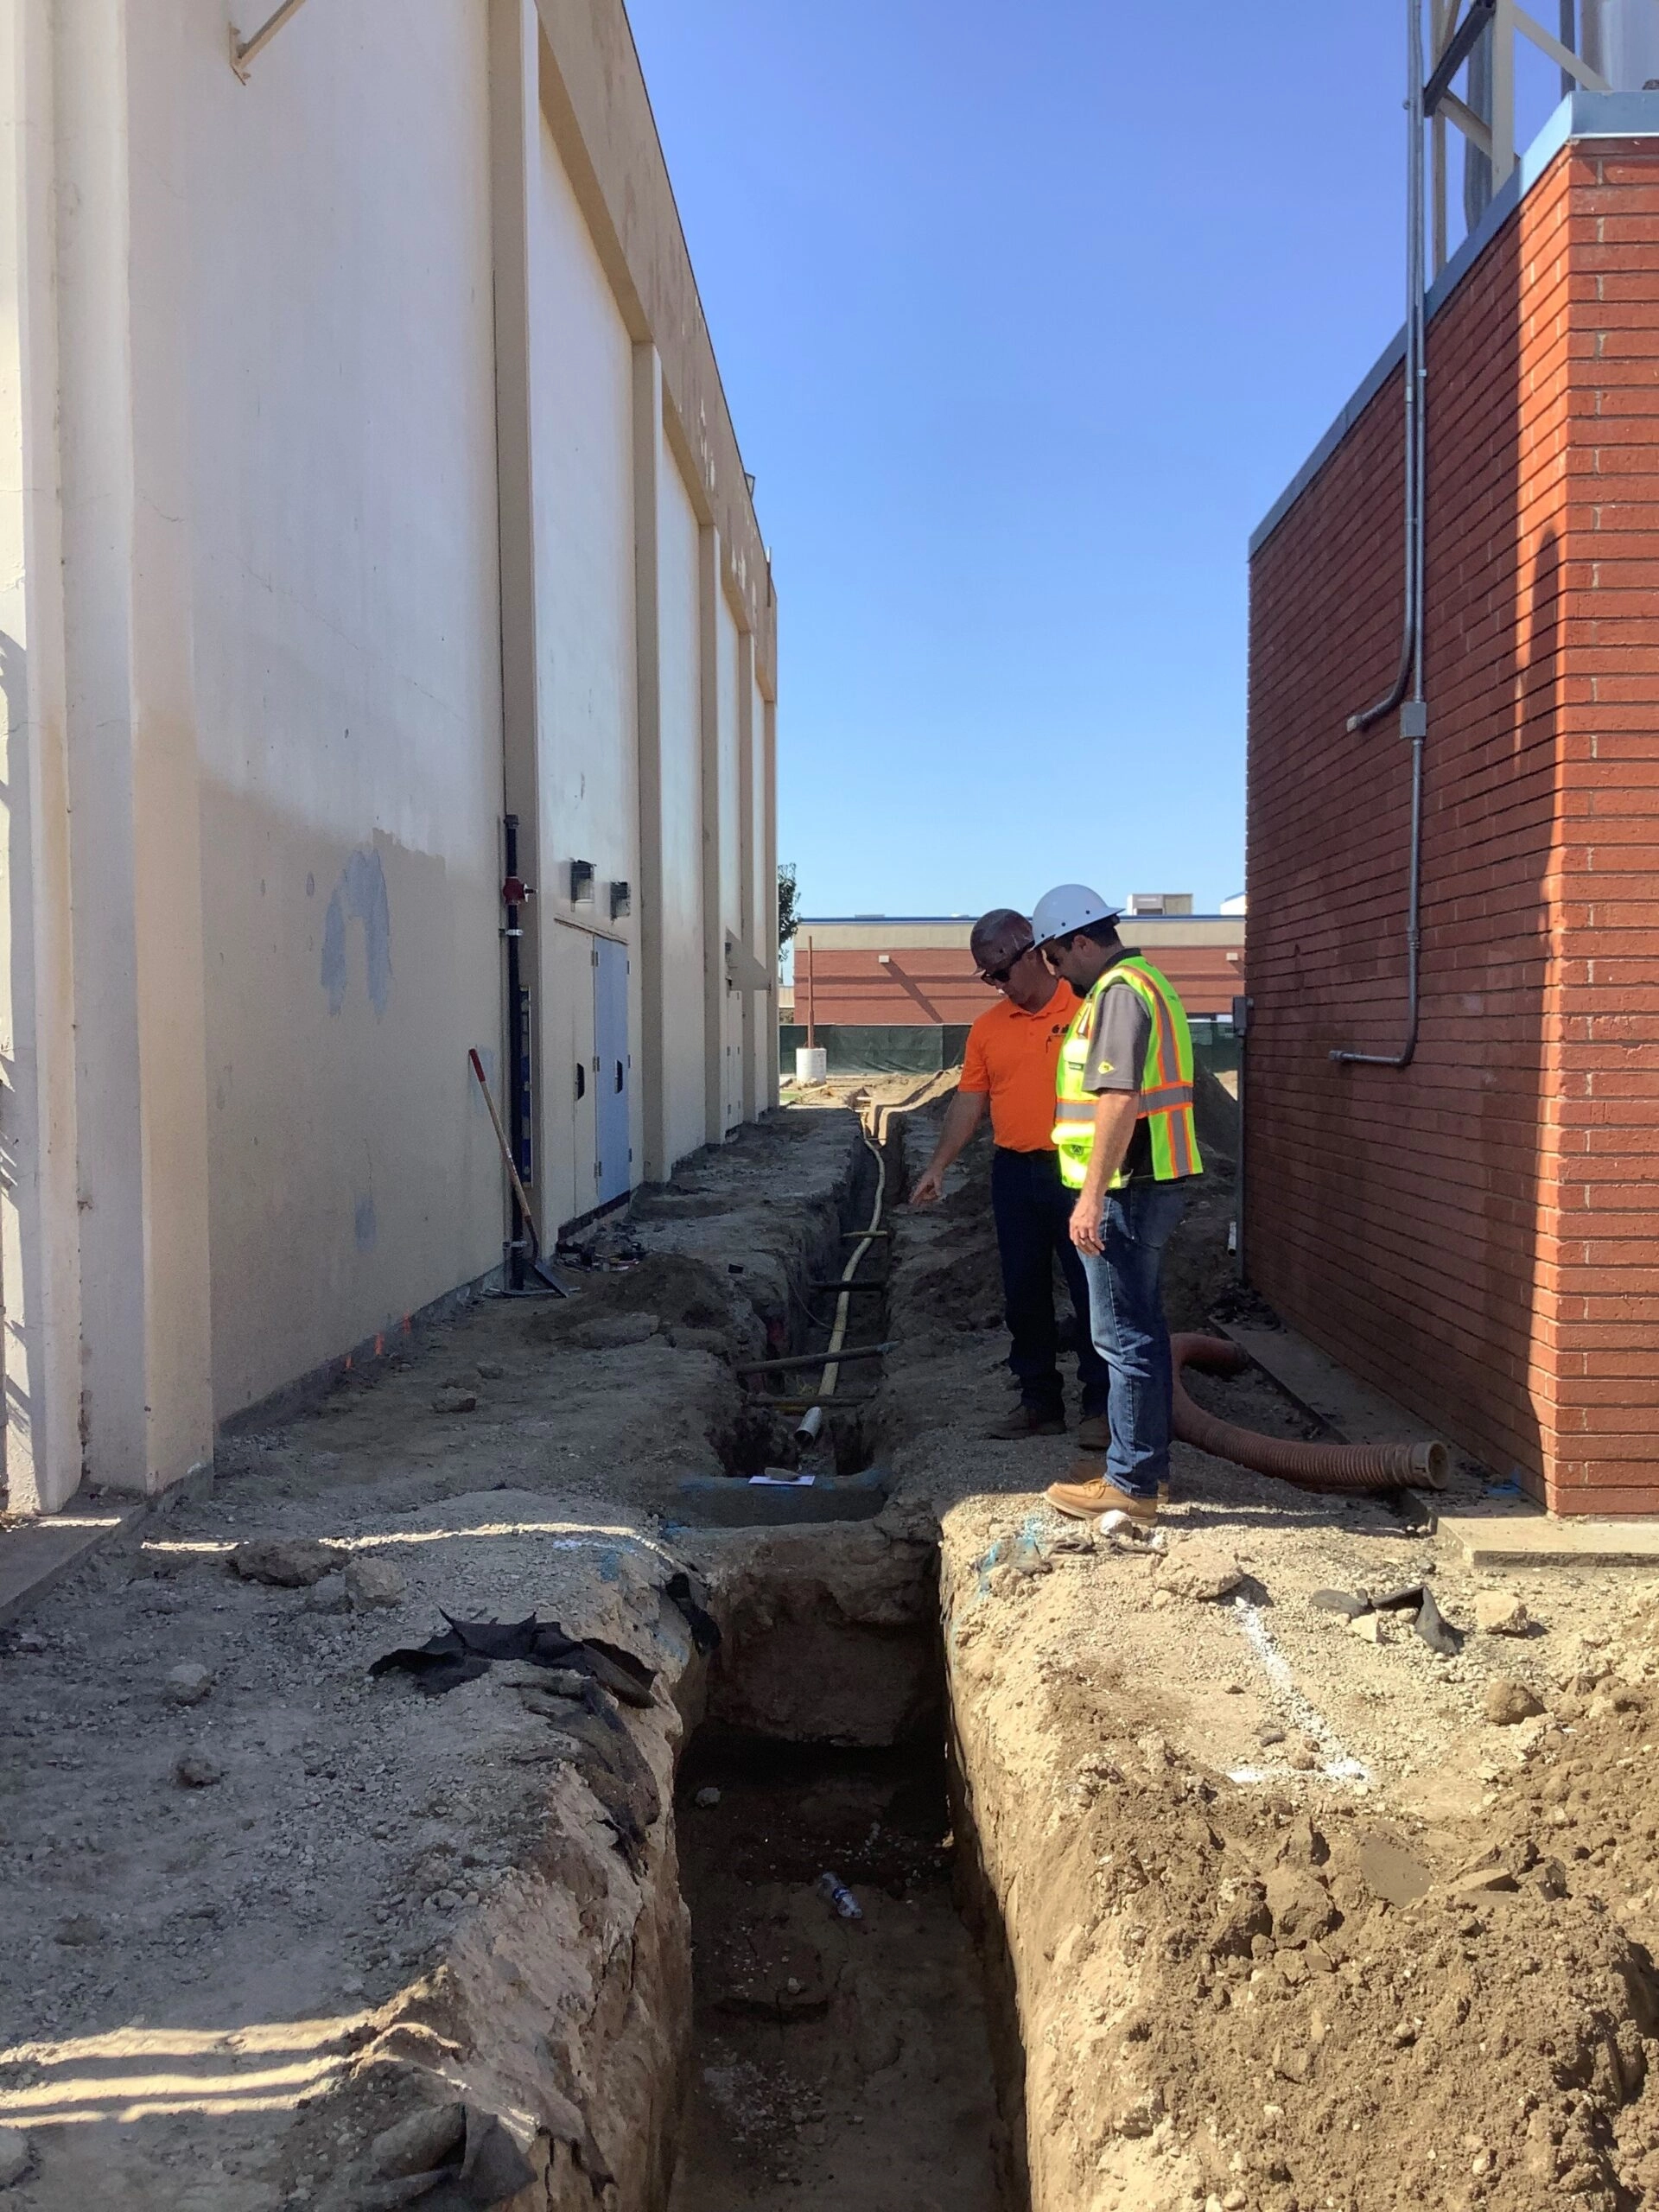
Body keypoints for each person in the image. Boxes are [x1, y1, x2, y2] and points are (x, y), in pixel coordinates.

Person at [1027, 884, 1204, 1523]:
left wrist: (1091, 1197)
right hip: (1150, 1182)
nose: (1054, 972)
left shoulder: (1119, 993)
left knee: (1122, 1338)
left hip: (1128, 1189)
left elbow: (1119, 1099)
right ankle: (1142, 1469)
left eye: (1054, 958)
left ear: (1080, 942)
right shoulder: (1144, 983)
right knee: (1141, 1331)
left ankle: (1130, 1483)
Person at [909, 907, 1113, 1440]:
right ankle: (1039, 1402)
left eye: (1001, 972)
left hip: (1077, 1173)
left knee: (1091, 1290)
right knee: (1024, 1293)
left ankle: (1100, 1407)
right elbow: (969, 1101)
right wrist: (938, 1166)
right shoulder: (988, 1029)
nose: (998, 985)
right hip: (1014, 1174)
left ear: (1034, 953)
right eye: (988, 977)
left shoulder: (1088, 1011)